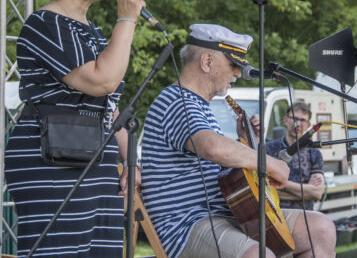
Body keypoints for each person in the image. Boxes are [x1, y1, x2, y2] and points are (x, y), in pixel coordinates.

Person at [141, 24, 336, 258]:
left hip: (227, 215)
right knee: (259, 255)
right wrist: (271, 164)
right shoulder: (175, 100)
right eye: (233, 64)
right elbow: (212, 148)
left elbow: (217, 167)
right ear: (207, 62)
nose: (237, 73)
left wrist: (244, 142)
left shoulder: (200, 107)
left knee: (321, 230)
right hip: (187, 226)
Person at [5, 0, 142, 257]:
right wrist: (127, 21)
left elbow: (107, 104)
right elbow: (101, 81)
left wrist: (132, 163)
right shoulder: (45, 23)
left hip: (95, 154)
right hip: (52, 155)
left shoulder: (92, 30)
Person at [266, 102, 325, 211]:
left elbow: (316, 193)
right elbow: (264, 189)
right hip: (274, 213)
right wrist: (305, 192)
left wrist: (279, 182)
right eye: (294, 118)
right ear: (285, 120)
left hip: (306, 216)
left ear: (308, 125)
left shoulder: (314, 153)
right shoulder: (269, 149)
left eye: (302, 120)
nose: (297, 124)